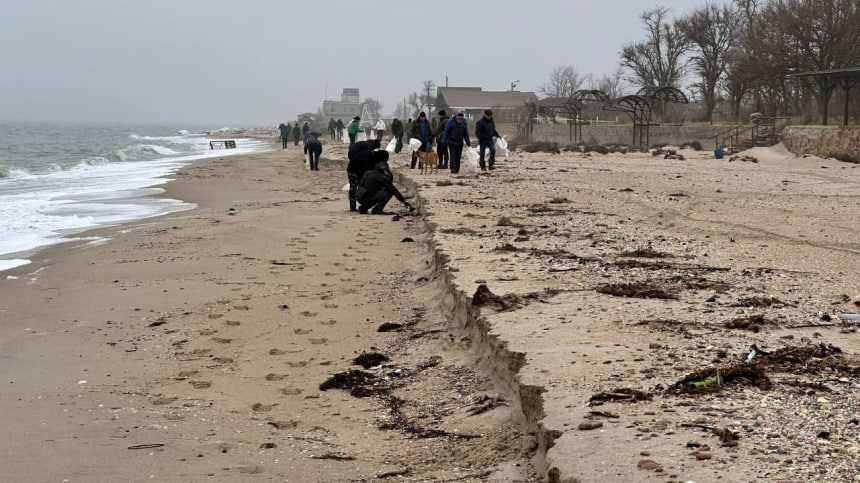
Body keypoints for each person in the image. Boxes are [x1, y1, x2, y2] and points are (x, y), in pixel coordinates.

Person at [346, 138, 382, 212]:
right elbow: (365, 164)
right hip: (354, 169)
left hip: (353, 163)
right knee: (355, 187)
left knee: (354, 187)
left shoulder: (365, 145)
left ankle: (354, 206)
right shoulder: (368, 150)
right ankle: (358, 206)